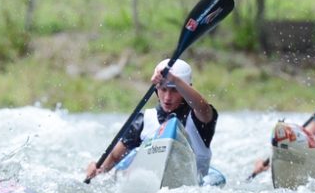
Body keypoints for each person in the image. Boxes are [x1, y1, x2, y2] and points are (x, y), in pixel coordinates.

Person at [85, 58, 218, 181]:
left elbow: (202, 107)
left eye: (174, 91)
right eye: (163, 89)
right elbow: (114, 156)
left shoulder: (200, 119)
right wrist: (97, 168)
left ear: (185, 89)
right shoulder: (143, 120)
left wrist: (175, 80)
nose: (167, 97)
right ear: (156, 88)